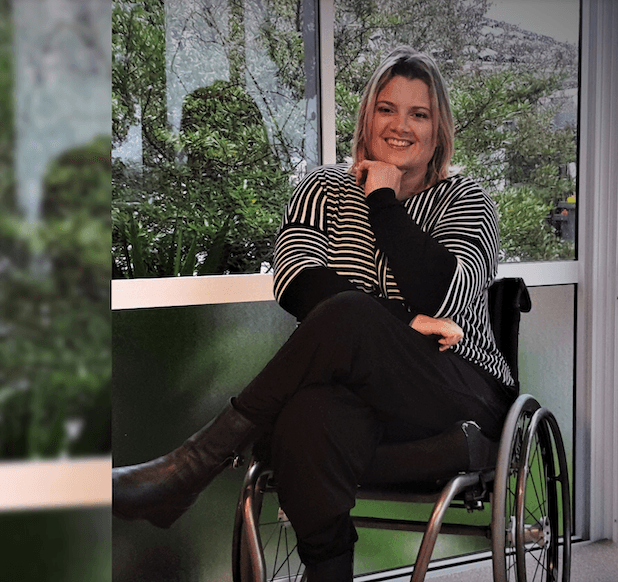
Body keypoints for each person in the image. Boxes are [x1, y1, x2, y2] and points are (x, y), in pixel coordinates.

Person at [112, 45, 517, 580]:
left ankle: (192, 466)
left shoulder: (466, 198)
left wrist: (382, 199)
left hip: (452, 387)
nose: (400, 125)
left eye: (419, 114)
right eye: (386, 109)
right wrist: (394, 321)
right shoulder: (321, 189)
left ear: (438, 131)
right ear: (366, 117)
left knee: (347, 315)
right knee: (307, 421)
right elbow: (296, 280)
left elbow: (440, 296)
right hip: (357, 398)